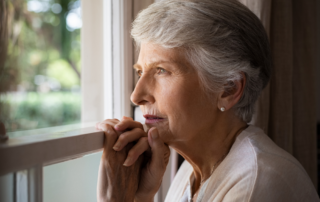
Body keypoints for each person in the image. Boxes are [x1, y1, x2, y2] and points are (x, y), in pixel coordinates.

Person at [95, 0, 319, 201]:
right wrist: (142, 196)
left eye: (161, 70)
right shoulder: (191, 172)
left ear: (228, 89)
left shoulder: (258, 184)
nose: (136, 96)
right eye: (139, 71)